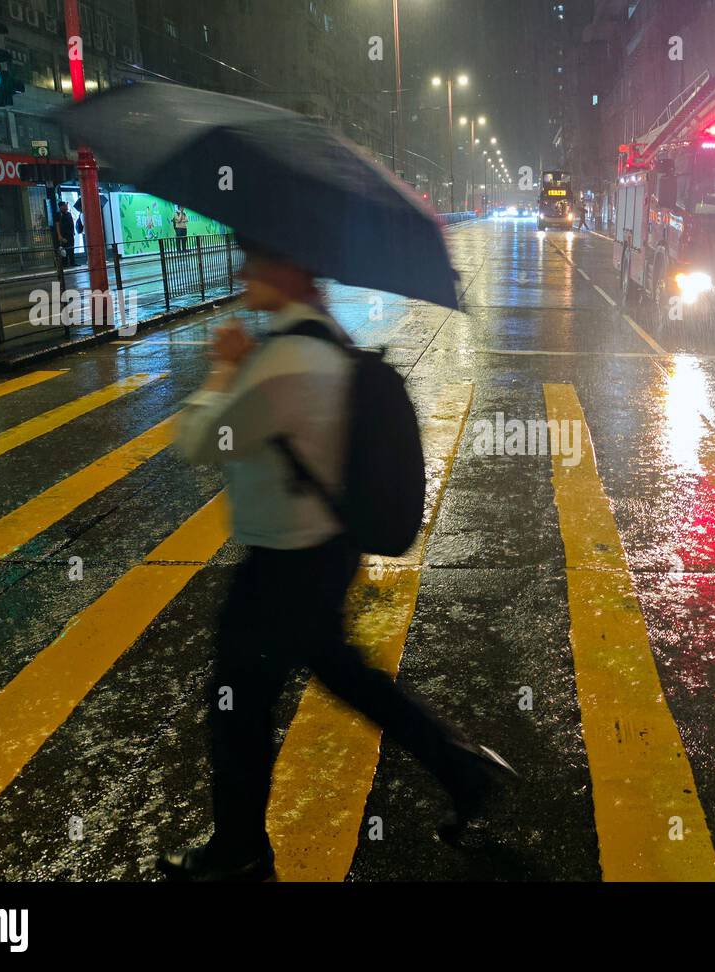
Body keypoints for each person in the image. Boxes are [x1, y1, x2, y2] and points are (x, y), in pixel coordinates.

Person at [162, 239, 514, 882]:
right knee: (345, 676)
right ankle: (462, 770)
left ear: (288, 270)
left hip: (282, 564)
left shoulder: (285, 360)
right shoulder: (323, 338)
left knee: (236, 703)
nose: (243, 274)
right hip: (325, 550)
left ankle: (240, 851)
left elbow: (199, 441)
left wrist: (222, 369)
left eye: (255, 261)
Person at [56, 201, 76, 268]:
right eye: (65, 205)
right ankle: (65, 263)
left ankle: (72, 262)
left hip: (70, 234)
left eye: (66, 205)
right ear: (61, 207)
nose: (66, 206)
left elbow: (72, 223)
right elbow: (57, 225)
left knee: (71, 248)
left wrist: (73, 232)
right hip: (64, 235)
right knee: (65, 249)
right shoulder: (59, 215)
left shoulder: (69, 214)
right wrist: (59, 236)